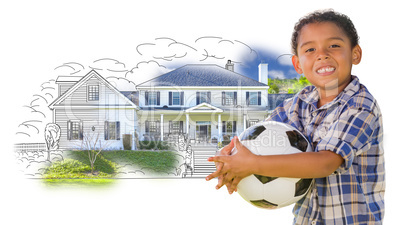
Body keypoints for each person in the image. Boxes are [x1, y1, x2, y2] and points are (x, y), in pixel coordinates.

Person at [206, 9, 385, 224]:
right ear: (298, 64)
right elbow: (262, 138)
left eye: (334, 45)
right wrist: (232, 157)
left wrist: (252, 164)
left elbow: (325, 164)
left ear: (355, 53)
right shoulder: (298, 103)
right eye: (310, 49)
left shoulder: (360, 105)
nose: (322, 54)